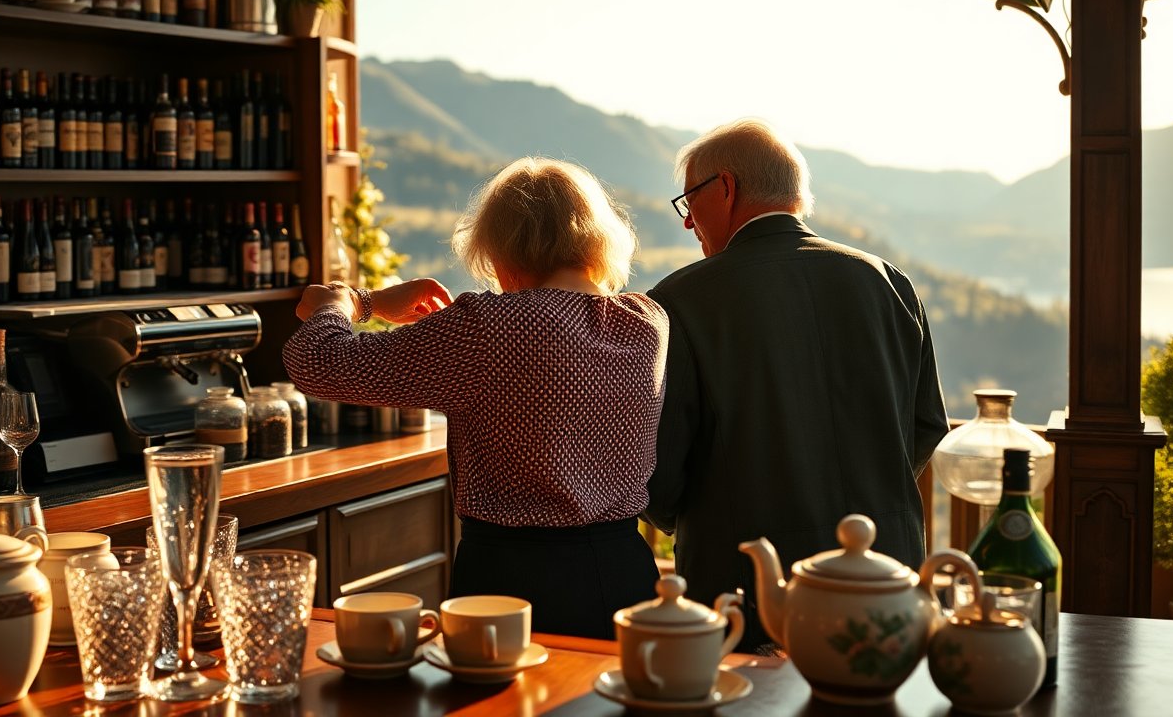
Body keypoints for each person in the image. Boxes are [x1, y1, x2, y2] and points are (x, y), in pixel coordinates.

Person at [283, 157, 668, 640]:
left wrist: (349, 302)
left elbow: (317, 361)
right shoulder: (649, 322)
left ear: (503, 252)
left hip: (509, 585)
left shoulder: (488, 326)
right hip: (625, 575)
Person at [644, 119, 949, 651]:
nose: (689, 222)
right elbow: (926, 426)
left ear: (726, 187)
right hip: (885, 578)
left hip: (747, 593)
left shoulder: (679, 303)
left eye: (689, 201)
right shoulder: (888, 283)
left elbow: (660, 471)